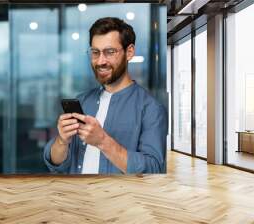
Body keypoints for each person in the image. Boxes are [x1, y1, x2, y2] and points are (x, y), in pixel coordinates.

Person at [43, 17, 168, 174]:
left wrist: (102, 141)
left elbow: (153, 169)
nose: (100, 61)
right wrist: (62, 141)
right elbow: (55, 163)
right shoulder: (82, 100)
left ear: (129, 52)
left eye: (110, 52)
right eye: (95, 52)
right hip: (75, 196)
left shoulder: (151, 109)